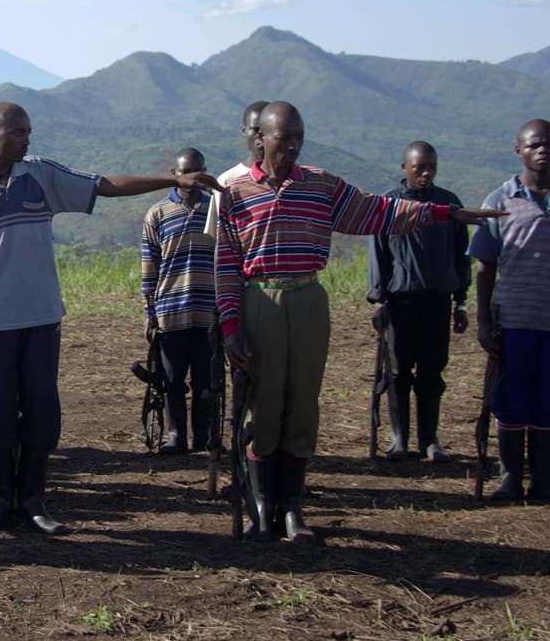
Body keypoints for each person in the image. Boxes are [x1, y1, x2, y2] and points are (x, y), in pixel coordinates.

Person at [217, 101, 502, 543]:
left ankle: (292, 509)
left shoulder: (320, 186)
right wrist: (231, 327)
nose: (292, 145)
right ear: (260, 139)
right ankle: (261, 507)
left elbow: (380, 211)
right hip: (260, 298)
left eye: (299, 137)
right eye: (283, 138)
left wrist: (444, 214)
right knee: (264, 402)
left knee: (303, 402)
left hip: (308, 297)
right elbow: (226, 265)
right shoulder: (235, 193)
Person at [0, 102, 222, 536]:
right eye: (18, 132)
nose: (28, 139)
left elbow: (104, 185)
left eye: (29, 131)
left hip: (41, 320)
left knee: (41, 414)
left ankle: (33, 501)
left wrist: (172, 180)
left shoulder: (40, 176)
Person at [366, 141, 470, 461]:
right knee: (397, 373)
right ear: (404, 168)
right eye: (419, 167)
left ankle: (429, 439)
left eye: (431, 167)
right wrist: (378, 300)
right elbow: (378, 255)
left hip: (438, 301)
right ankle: (399, 438)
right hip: (400, 302)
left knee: (431, 372)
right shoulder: (389, 206)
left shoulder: (449, 204)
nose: (425, 173)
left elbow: (460, 255)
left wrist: (461, 301)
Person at [468, 118, 550, 502]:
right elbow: (485, 266)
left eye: (547, 143)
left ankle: (544, 480)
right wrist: (484, 321)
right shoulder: (500, 201)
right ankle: (511, 478)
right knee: (512, 400)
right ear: (518, 151)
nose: (542, 150)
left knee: (546, 401)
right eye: (533, 145)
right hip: (514, 320)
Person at [141, 147, 218, 455]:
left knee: (206, 381)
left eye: (197, 173)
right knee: (171, 380)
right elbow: (149, 268)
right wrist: (149, 313)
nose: (191, 179)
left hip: (208, 312)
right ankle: (176, 435)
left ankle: (204, 435)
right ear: (174, 175)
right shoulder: (157, 214)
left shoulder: (215, 210)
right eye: (185, 173)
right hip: (171, 311)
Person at [203, 101, 267, 238]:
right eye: (255, 130)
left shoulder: (292, 179)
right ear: (244, 131)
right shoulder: (227, 182)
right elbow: (220, 239)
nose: (260, 137)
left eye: (267, 130)